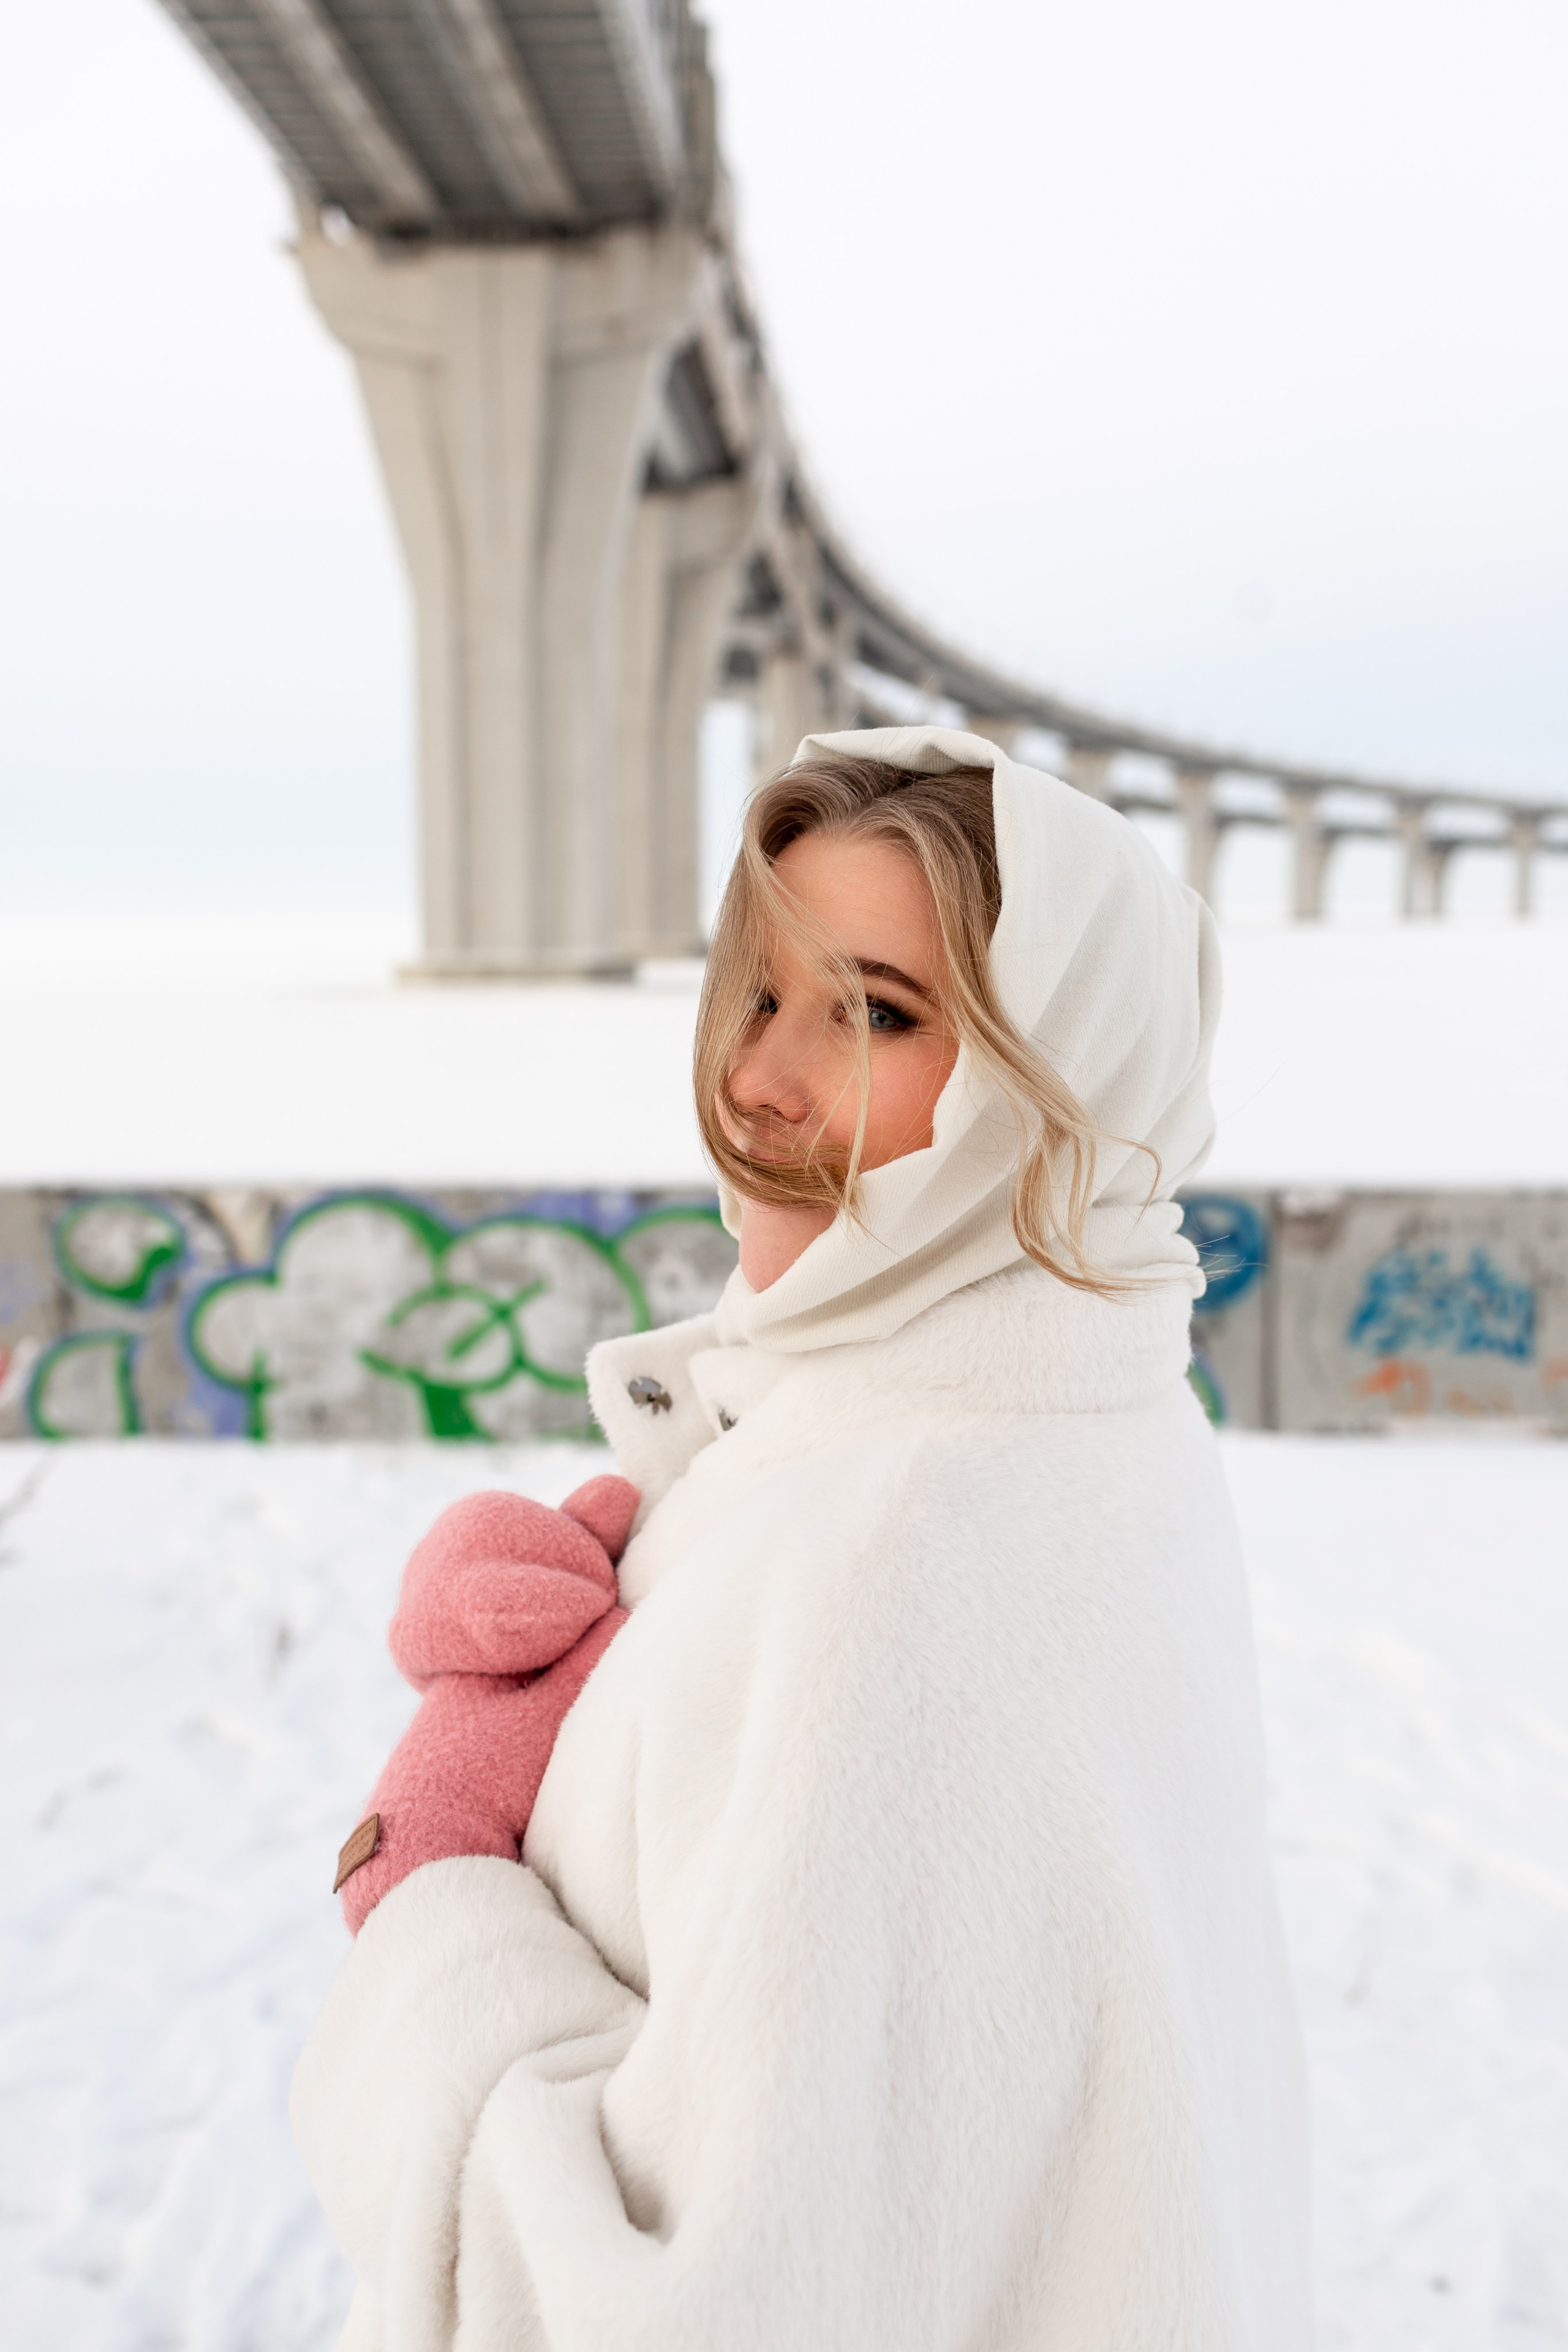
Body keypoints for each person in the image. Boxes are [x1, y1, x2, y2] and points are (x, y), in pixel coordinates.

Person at [293, 725, 1313, 2350]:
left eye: (878, 1012)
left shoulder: (896, 1566)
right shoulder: (1094, 1426)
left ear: (1059, 1082)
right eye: (762, 993)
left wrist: (440, 1899)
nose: (756, 1078)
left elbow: (676, 2312)